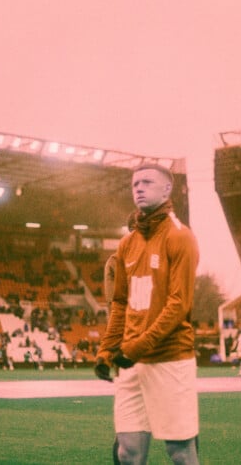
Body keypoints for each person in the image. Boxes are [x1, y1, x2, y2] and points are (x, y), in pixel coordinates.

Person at [95, 163, 200, 465]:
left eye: (147, 182)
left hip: (170, 359)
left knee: (180, 452)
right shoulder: (127, 244)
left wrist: (136, 347)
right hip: (131, 361)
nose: (139, 188)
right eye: (134, 184)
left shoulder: (180, 237)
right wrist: (107, 350)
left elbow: (178, 305)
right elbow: (120, 304)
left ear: (167, 189)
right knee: (127, 452)